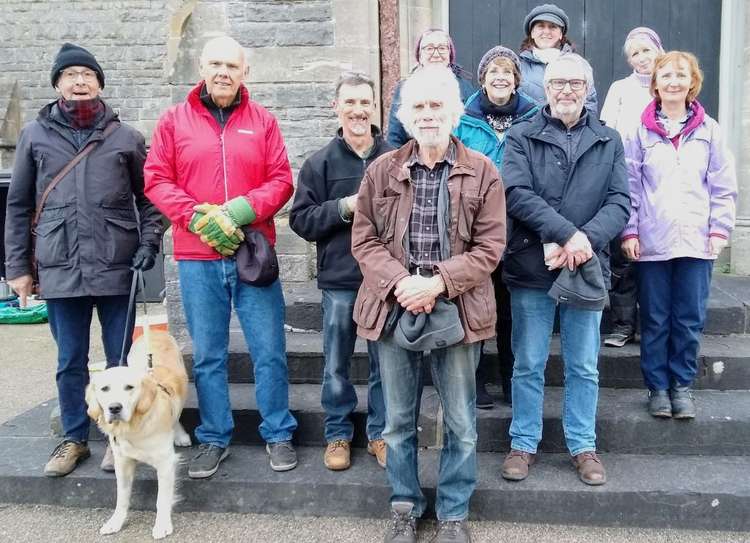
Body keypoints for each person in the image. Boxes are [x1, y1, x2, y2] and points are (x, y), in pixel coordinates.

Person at [352, 66, 506, 543]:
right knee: (397, 421)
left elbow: (490, 247)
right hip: (395, 305)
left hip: (457, 309)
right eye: (418, 106)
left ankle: (454, 513)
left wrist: (436, 283)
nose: (428, 114)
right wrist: (403, 282)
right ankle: (405, 507)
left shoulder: (483, 170)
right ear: (405, 116)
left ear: (455, 112)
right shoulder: (382, 169)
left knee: (460, 422)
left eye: (437, 105)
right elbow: (364, 239)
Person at [4, 43, 162, 477]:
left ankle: (121, 440)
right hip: (59, 267)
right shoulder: (34, 136)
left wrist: (149, 242)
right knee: (69, 361)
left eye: (87, 75)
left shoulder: (126, 137)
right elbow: (18, 206)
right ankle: (73, 438)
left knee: (121, 362)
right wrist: (17, 268)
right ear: (57, 83)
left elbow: (151, 200)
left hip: (116, 266)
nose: (79, 81)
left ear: (99, 83)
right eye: (70, 74)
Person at [144, 36, 298, 478]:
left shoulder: (263, 121)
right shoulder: (174, 121)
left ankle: (278, 432)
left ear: (244, 71)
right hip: (197, 256)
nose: (223, 72)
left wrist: (239, 210)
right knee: (209, 354)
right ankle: (214, 437)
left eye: (232, 65)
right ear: (202, 67)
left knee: (269, 350)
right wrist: (195, 216)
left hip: (252, 252)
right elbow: (156, 179)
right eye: (215, 63)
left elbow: (281, 180)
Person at [501, 53, 629, 486]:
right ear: (546, 89)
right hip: (533, 264)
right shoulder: (521, 135)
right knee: (529, 361)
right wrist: (562, 235)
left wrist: (583, 242)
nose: (567, 90)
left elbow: (619, 203)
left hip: (587, 265)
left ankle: (582, 445)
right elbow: (515, 192)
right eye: (558, 83)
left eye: (576, 83)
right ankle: (523, 442)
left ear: (588, 89)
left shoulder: (609, 140)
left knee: (583, 365)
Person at [621, 51, 737, 419]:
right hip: (653, 242)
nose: (673, 81)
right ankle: (657, 387)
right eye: (666, 75)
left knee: (688, 317)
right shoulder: (638, 132)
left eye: (680, 75)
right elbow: (630, 186)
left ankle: (681, 386)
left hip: (697, 242)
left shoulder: (710, 130)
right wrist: (630, 230)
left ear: (692, 82)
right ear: (655, 82)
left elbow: (722, 185)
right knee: (655, 317)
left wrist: (720, 228)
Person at [289, 72, 393, 471]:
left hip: (385, 281)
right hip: (341, 282)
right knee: (337, 363)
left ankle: (380, 434)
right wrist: (343, 207)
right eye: (349, 102)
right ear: (336, 107)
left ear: (375, 106)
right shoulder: (320, 163)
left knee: (387, 364)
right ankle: (337, 434)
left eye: (364, 102)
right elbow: (301, 220)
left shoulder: (395, 156)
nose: (358, 110)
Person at [454, 45, 539, 408]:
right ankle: (476, 380)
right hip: (474, 229)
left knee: (509, 308)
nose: (500, 77)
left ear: (516, 79)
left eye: (507, 71)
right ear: (483, 77)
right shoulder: (463, 117)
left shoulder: (534, 117)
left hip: (519, 229)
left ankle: (510, 377)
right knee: (474, 303)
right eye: (493, 71)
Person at [600, 28, 664, 347]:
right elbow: (607, 131)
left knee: (653, 257)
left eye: (646, 51)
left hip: (661, 183)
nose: (642, 58)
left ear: (658, 51)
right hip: (625, 177)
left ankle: (652, 324)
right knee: (622, 255)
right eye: (635, 53)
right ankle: (623, 324)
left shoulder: (669, 85)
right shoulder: (620, 89)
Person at [386, 28, 474, 148]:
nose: (436, 53)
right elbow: (395, 136)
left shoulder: (465, 87)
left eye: (442, 48)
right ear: (420, 56)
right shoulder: (405, 87)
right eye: (430, 48)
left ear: (450, 54)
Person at [518, 3, 597, 113]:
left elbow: (589, 105)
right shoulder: (518, 67)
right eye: (541, 26)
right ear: (532, 33)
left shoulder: (579, 65)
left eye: (552, 27)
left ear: (561, 34)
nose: (546, 32)